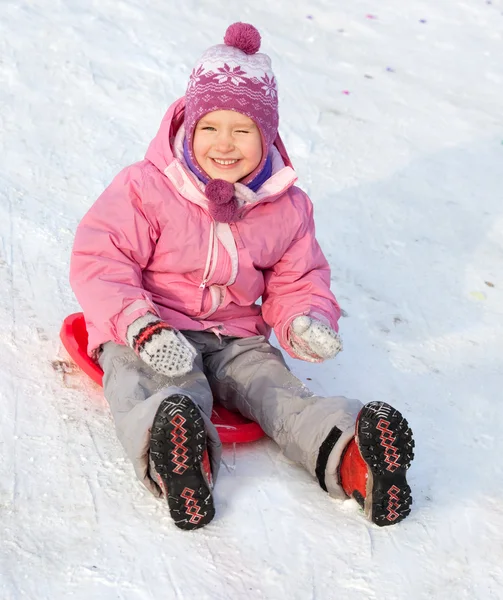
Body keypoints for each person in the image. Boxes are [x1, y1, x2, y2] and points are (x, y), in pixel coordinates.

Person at [70, 22, 414, 530]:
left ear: (267, 133)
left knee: (279, 393)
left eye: (243, 130)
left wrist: (303, 317)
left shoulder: (286, 206)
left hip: (235, 337)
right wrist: (139, 325)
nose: (224, 144)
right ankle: (179, 455)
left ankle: (353, 452)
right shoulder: (147, 188)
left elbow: (298, 276)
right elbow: (101, 259)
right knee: (153, 386)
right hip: (151, 329)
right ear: (188, 125)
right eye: (210, 127)